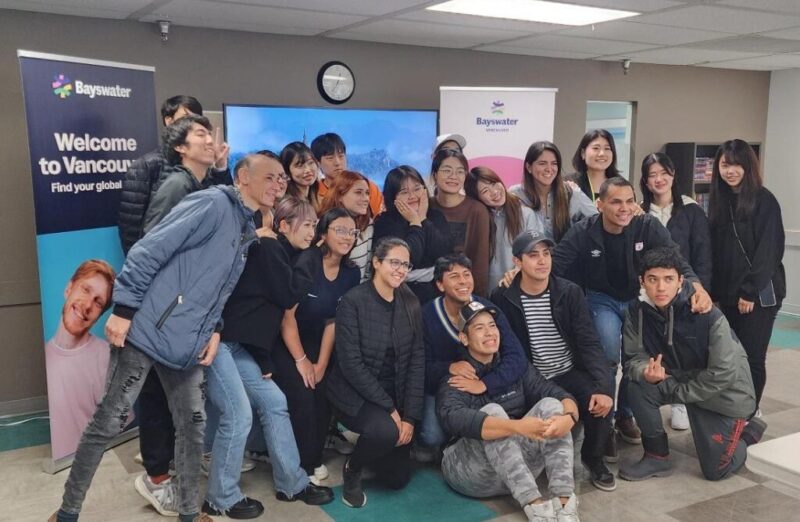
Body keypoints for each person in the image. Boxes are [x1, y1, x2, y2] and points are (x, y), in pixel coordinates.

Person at [50, 178, 261, 522]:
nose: (277, 184)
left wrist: (214, 328)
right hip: (145, 331)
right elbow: (149, 249)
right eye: (270, 177)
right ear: (246, 177)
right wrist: (123, 309)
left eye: (279, 179)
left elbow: (217, 288)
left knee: (192, 426)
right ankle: (66, 514)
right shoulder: (211, 203)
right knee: (107, 422)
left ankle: (189, 514)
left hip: (186, 341)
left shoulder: (245, 228)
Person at [134, 115, 249, 515]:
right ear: (180, 148)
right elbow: (156, 247)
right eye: (200, 134)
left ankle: (168, 470)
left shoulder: (199, 184)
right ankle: (155, 479)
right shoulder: (177, 186)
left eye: (209, 132)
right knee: (157, 393)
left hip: (184, 309)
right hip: (168, 311)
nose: (209, 138)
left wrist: (220, 170)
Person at [553, 176, 713, 462]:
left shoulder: (646, 225)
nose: (624, 208)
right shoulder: (583, 231)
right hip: (601, 299)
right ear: (600, 205)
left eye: (629, 201)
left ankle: (625, 416)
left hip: (636, 299)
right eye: (616, 202)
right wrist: (518, 274)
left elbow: (675, 260)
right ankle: (604, 425)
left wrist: (697, 286)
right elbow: (554, 264)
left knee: (633, 358)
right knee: (607, 357)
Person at [203, 193, 332, 518]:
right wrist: (312, 258)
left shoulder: (277, 251)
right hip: (218, 343)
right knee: (239, 415)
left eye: (315, 225)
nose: (312, 232)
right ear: (283, 225)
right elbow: (288, 295)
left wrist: (263, 360)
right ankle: (220, 498)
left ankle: (292, 483)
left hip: (238, 345)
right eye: (306, 225)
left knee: (275, 402)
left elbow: (259, 314)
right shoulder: (272, 248)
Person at [620, 247, 767, 482]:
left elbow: (723, 373)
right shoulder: (636, 311)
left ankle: (751, 431)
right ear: (642, 281)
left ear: (680, 281)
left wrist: (682, 392)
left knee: (716, 470)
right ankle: (656, 457)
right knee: (637, 386)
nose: (660, 287)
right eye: (653, 279)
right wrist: (645, 372)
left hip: (723, 395)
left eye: (668, 279)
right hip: (683, 382)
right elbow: (632, 359)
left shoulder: (706, 313)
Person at [491, 231, 616, 492]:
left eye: (546, 254)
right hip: (531, 378)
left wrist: (604, 387)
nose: (542, 261)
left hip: (567, 370)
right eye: (533, 255)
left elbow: (589, 342)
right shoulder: (503, 297)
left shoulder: (569, 292)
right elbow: (505, 350)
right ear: (517, 261)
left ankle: (593, 458)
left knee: (600, 395)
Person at [437, 300, 581, 522]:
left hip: (518, 468)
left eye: (492, 325)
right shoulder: (457, 377)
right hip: (471, 474)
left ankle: (564, 503)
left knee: (553, 405)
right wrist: (517, 427)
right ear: (464, 338)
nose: (489, 332)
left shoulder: (515, 367)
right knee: (492, 412)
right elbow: (453, 418)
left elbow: (558, 393)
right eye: (479, 328)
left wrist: (569, 418)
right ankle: (536, 508)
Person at [326, 237, 425, 508]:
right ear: (377, 263)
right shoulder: (353, 301)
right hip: (355, 393)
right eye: (394, 262)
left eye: (405, 265)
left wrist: (409, 417)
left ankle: (375, 444)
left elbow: (417, 361)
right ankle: (353, 467)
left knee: (396, 479)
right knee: (384, 432)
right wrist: (390, 409)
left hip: (395, 393)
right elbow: (351, 364)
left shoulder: (410, 301)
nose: (400, 270)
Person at [274, 208, 361, 483]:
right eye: (340, 230)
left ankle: (312, 457)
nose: (347, 237)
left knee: (324, 390)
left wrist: (321, 364)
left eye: (352, 232)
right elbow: (286, 317)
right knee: (303, 392)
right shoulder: (307, 261)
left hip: (319, 339)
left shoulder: (352, 272)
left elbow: (333, 320)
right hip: (287, 339)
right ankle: (301, 465)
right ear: (323, 233)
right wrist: (302, 361)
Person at [420, 253, 527, 453]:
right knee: (432, 436)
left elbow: (517, 357)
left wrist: (486, 384)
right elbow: (419, 367)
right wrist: (449, 367)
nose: (463, 281)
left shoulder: (488, 310)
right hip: (446, 388)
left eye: (467, 274)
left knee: (494, 419)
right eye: (454, 276)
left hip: (485, 384)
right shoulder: (426, 315)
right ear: (440, 285)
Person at [709, 139, 785, 412]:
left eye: (737, 165)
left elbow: (769, 251)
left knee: (752, 357)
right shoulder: (720, 201)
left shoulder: (764, 200)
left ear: (748, 166)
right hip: (727, 295)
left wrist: (749, 291)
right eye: (725, 165)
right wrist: (714, 293)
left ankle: (749, 412)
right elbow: (716, 252)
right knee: (730, 357)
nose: (730, 171)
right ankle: (733, 408)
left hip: (758, 295)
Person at [640, 152, 712, 430]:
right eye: (652, 175)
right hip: (649, 293)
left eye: (664, 173)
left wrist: (699, 290)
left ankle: (681, 402)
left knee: (683, 347)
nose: (659, 179)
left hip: (684, 291)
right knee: (651, 346)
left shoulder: (692, 210)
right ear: (645, 181)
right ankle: (647, 401)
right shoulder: (639, 211)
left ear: (673, 175)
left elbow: (703, 256)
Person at [117, 95, 230, 254]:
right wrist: (139, 261)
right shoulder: (151, 168)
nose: (209, 140)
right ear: (169, 121)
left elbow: (225, 204)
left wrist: (220, 166)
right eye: (186, 117)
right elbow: (133, 225)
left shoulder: (202, 171)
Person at [45, 260, 117, 460]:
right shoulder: (43, 356)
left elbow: (119, 430)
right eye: (85, 290)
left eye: (98, 302)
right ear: (69, 288)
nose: (87, 305)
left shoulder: (106, 357)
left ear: (100, 315)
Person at [373, 165, 453, 303]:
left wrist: (423, 219)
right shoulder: (384, 222)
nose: (412, 196)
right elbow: (409, 259)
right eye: (404, 192)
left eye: (417, 189)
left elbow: (444, 251)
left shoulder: (436, 216)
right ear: (393, 197)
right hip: (398, 294)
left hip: (437, 291)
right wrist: (415, 223)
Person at [465, 166, 542, 289]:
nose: (494, 192)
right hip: (490, 290)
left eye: (494, 183)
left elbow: (535, 249)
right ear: (477, 198)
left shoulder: (526, 214)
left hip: (522, 285)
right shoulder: (478, 221)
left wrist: (518, 271)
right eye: (485, 191)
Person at [429, 149, 492, 296]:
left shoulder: (477, 210)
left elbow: (480, 263)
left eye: (460, 171)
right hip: (427, 293)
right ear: (435, 175)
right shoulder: (425, 206)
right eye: (447, 170)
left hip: (463, 293)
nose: (453, 176)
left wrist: (475, 299)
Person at [510, 140, 597, 243]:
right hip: (528, 252)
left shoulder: (571, 192)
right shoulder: (515, 195)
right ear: (529, 167)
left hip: (564, 252)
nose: (549, 169)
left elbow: (597, 222)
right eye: (542, 163)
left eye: (554, 163)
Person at [318, 170, 375, 281]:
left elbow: (368, 272)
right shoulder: (321, 225)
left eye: (367, 193)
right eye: (358, 192)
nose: (366, 198)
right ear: (339, 195)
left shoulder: (367, 225)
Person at [310, 132, 383, 216]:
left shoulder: (367, 187)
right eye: (330, 158)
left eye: (341, 156)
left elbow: (381, 217)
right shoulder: (313, 192)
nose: (337, 163)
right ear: (318, 163)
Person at [566, 129, 620, 203]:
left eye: (607, 148)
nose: (602, 153)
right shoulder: (570, 183)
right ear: (583, 153)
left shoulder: (621, 185)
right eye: (596, 148)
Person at [281, 141, 321, 211]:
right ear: (287, 171)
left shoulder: (316, 197)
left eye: (311, 163)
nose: (308, 170)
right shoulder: (287, 205)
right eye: (299, 165)